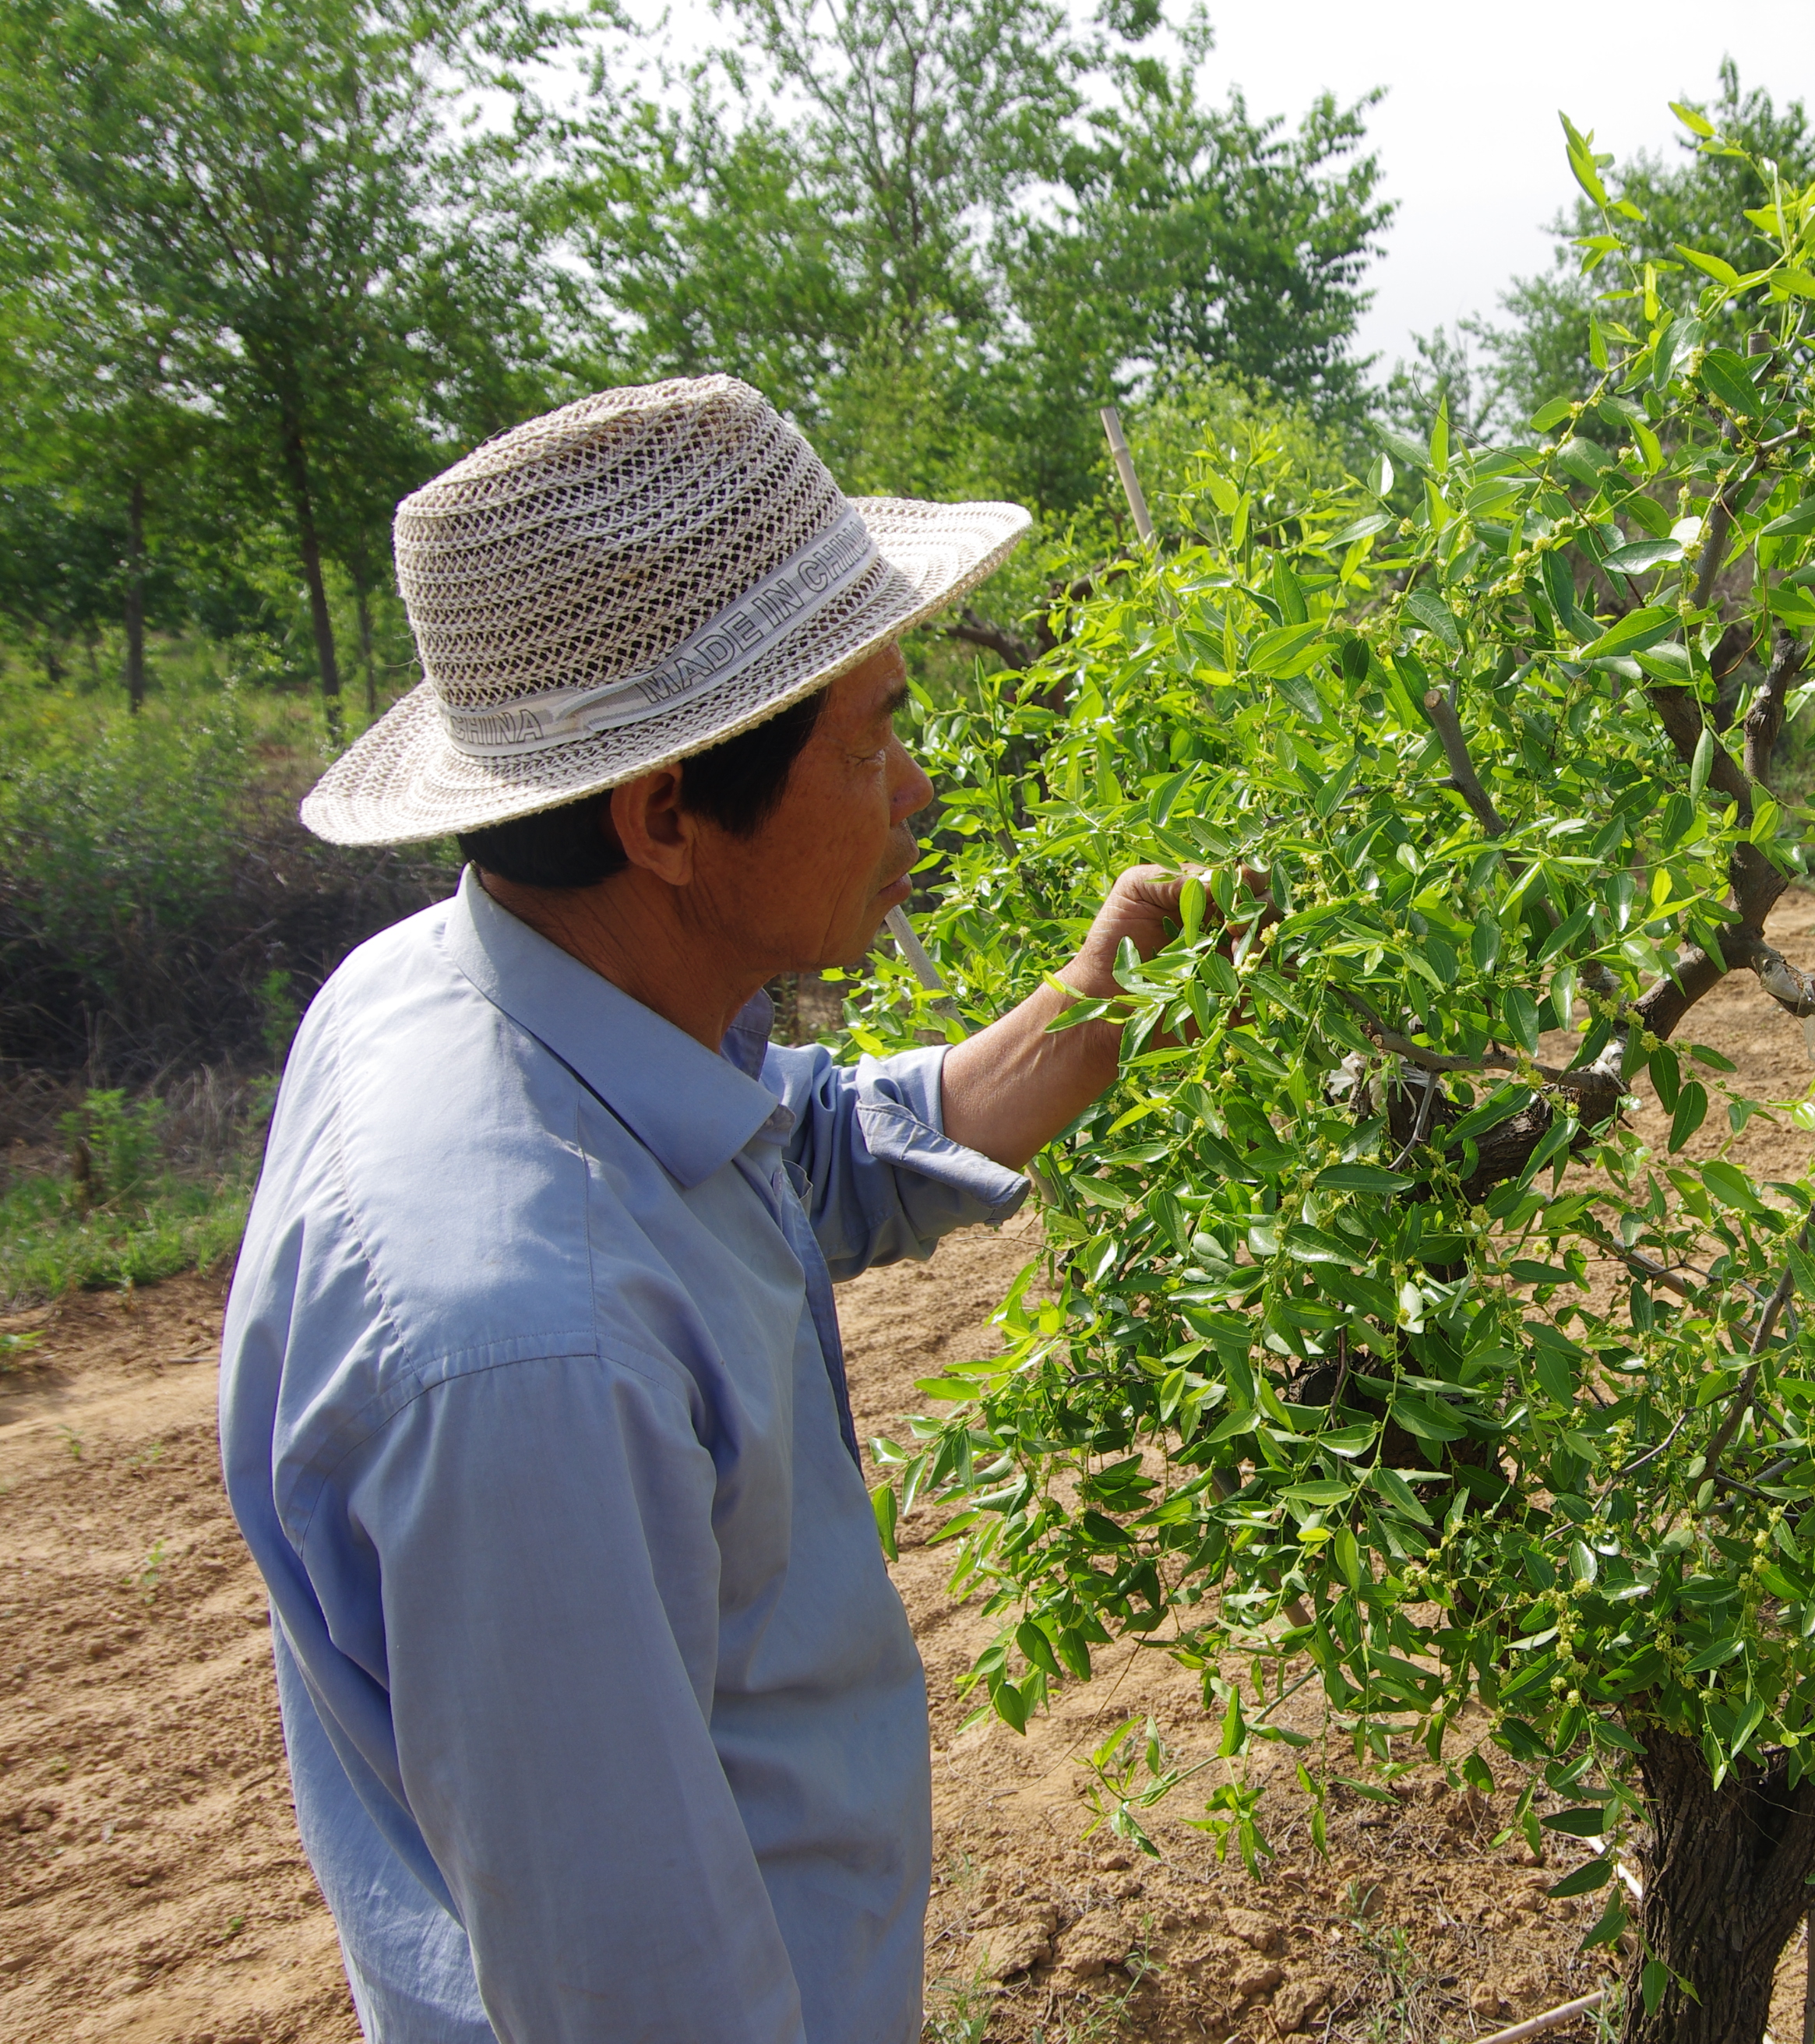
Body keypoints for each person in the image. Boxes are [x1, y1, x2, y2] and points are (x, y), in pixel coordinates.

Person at [220, 375, 1190, 2042]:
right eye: (874, 734)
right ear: (667, 813)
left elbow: (752, 1153)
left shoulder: (469, 989)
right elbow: (634, 2002)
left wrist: (1049, 1039)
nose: (920, 790)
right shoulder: (530, 1359)